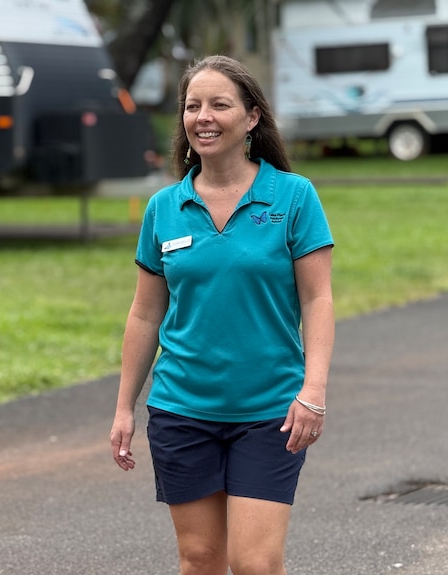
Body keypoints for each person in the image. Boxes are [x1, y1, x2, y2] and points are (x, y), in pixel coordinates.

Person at [109, 55, 334, 575]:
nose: (202, 116)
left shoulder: (294, 197)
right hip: (182, 409)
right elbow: (145, 314)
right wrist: (124, 407)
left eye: (219, 104)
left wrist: (314, 391)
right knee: (201, 559)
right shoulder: (165, 207)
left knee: (255, 562)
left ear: (252, 117)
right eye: (192, 106)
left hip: (270, 411)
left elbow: (317, 300)